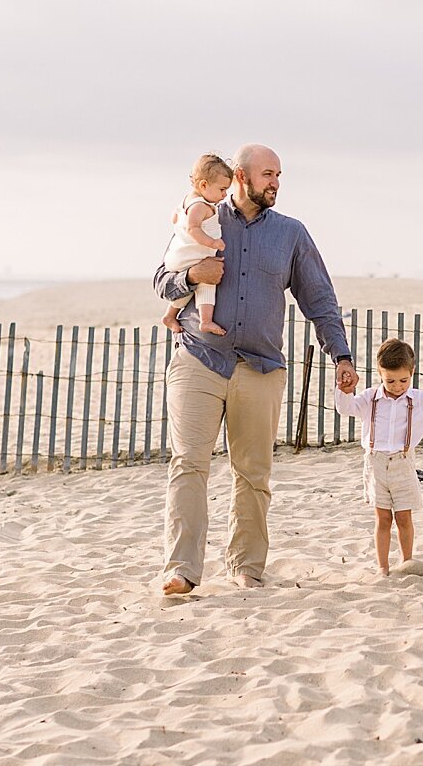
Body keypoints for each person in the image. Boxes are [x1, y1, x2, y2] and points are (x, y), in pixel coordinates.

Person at [151, 143, 358, 594]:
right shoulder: (202, 218)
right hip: (198, 357)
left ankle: (246, 566)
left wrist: (340, 356)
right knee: (188, 463)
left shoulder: (291, 233)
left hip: (261, 368)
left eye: (279, 175)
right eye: (268, 175)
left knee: (253, 472)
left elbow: (319, 299)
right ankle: (182, 570)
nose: (276, 184)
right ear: (241, 177)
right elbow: (162, 279)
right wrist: (193, 277)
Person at [334, 338, 423, 576]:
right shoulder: (370, 398)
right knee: (382, 518)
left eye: (403, 380)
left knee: (403, 516)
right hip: (375, 463)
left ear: (412, 373)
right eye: (390, 380)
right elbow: (346, 408)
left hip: (403, 463)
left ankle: (407, 562)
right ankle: (382, 567)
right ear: (380, 374)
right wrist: (344, 391)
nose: (397, 386)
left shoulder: (419, 400)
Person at [160, 153, 232, 336]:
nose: (225, 195)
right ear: (204, 185)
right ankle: (206, 321)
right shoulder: (200, 206)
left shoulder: (187, 200)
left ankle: (170, 315)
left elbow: (175, 217)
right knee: (207, 282)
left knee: (192, 288)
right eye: (222, 189)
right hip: (190, 257)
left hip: (179, 256)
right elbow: (193, 228)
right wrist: (212, 242)